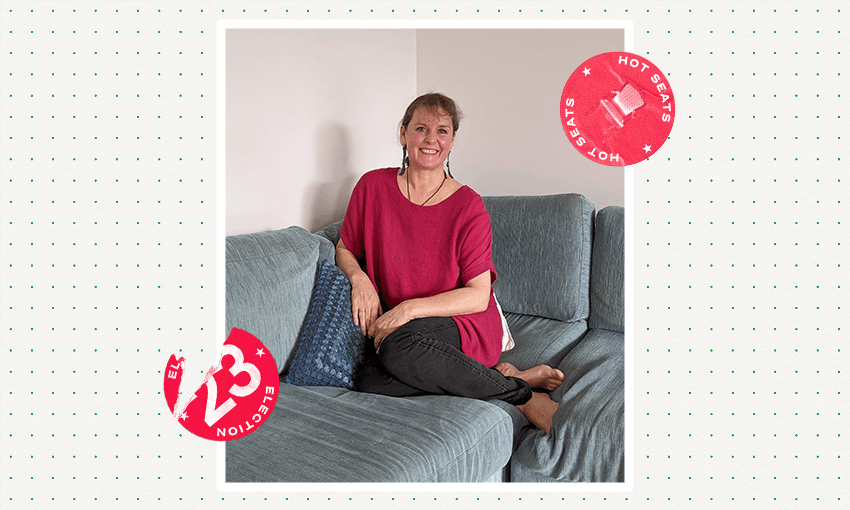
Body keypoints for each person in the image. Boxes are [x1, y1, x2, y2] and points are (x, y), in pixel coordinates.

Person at [335, 93, 563, 433]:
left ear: (452, 140)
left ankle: (522, 395)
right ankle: (502, 378)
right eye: (421, 128)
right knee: (369, 380)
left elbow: (478, 295)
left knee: (398, 348)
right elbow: (345, 247)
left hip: (463, 322)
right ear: (403, 134)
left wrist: (407, 309)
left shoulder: (468, 206)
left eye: (442, 131)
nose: (431, 139)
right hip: (408, 330)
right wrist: (359, 279)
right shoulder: (372, 187)